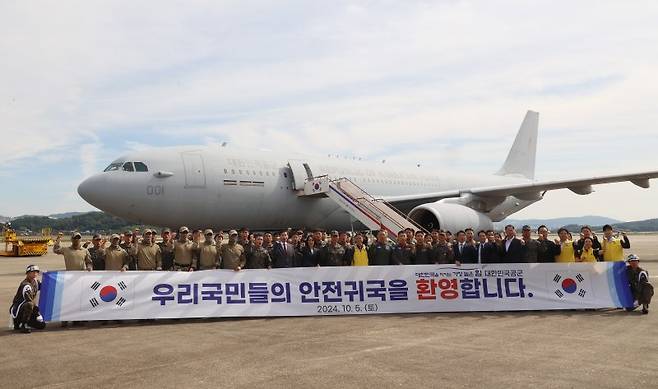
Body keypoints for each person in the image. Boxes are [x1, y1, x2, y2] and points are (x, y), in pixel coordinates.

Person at [10, 264, 46, 333]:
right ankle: (22, 325)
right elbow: (29, 300)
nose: (35, 274)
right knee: (29, 304)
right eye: (32, 272)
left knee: (42, 325)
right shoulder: (25, 285)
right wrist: (38, 314)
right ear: (28, 273)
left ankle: (27, 322)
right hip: (19, 309)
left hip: (28, 310)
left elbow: (43, 286)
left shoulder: (35, 281)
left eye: (36, 272)